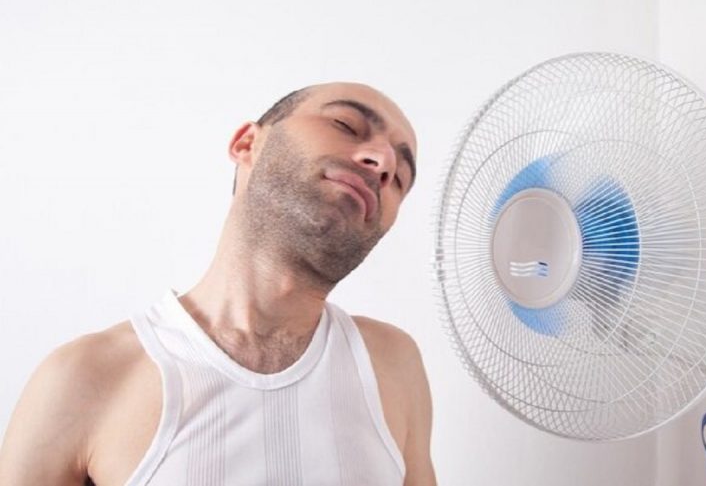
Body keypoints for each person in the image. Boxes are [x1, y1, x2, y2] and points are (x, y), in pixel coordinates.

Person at [0, 82, 436, 485]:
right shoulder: (83, 377)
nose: (382, 164)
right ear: (247, 143)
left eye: (399, 178)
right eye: (345, 125)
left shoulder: (393, 365)